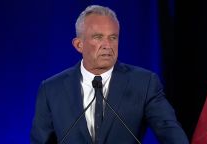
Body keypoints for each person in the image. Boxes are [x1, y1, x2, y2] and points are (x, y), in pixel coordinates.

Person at [30, 5, 189, 144]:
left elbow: (172, 135)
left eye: (113, 37)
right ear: (79, 45)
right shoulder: (51, 89)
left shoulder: (144, 83)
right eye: (98, 37)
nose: (107, 45)